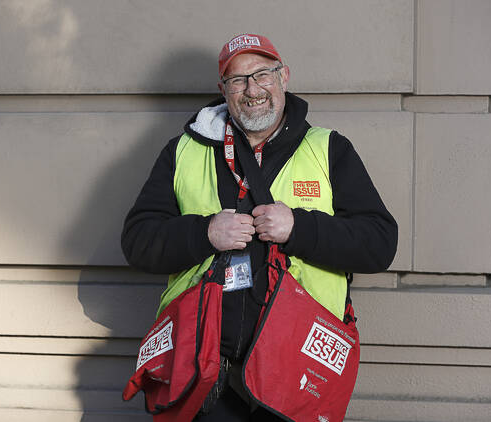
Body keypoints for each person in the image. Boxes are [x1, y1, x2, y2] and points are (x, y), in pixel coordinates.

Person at [121, 33, 398, 421]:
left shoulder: (329, 149)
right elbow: (137, 241)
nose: (252, 90)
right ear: (223, 90)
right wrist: (204, 234)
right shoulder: (183, 151)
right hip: (204, 366)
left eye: (263, 74)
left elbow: (380, 243)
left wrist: (299, 228)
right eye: (238, 80)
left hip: (297, 366)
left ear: (284, 76)